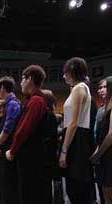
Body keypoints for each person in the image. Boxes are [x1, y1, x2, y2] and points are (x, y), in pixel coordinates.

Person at [5, 65, 48, 204]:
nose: (21, 83)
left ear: (30, 79)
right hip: (32, 156)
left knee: (29, 194)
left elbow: (23, 130)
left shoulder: (36, 100)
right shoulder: (34, 99)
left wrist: (12, 150)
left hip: (31, 158)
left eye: (22, 79)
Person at [59, 57, 95, 204]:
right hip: (78, 138)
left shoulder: (79, 88)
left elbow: (73, 123)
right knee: (75, 188)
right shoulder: (79, 88)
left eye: (65, 72)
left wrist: (64, 151)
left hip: (78, 140)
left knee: (77, 187)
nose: (63, 76)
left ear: (72, 71)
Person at [0, 76, 21, 204]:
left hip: (8, 149)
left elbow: (7, 129)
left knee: (8, 185)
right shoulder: (9, 104)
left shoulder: (13, 104)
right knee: (3, 184)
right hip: (5, 149)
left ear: (2, 88)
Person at [90, 76, 112, 204]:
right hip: (105, 158)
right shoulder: (104, 110)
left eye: (105, 87)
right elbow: (101, 136)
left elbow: (110, 135)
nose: (101, 90)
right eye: (100, 87)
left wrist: (98, 154)